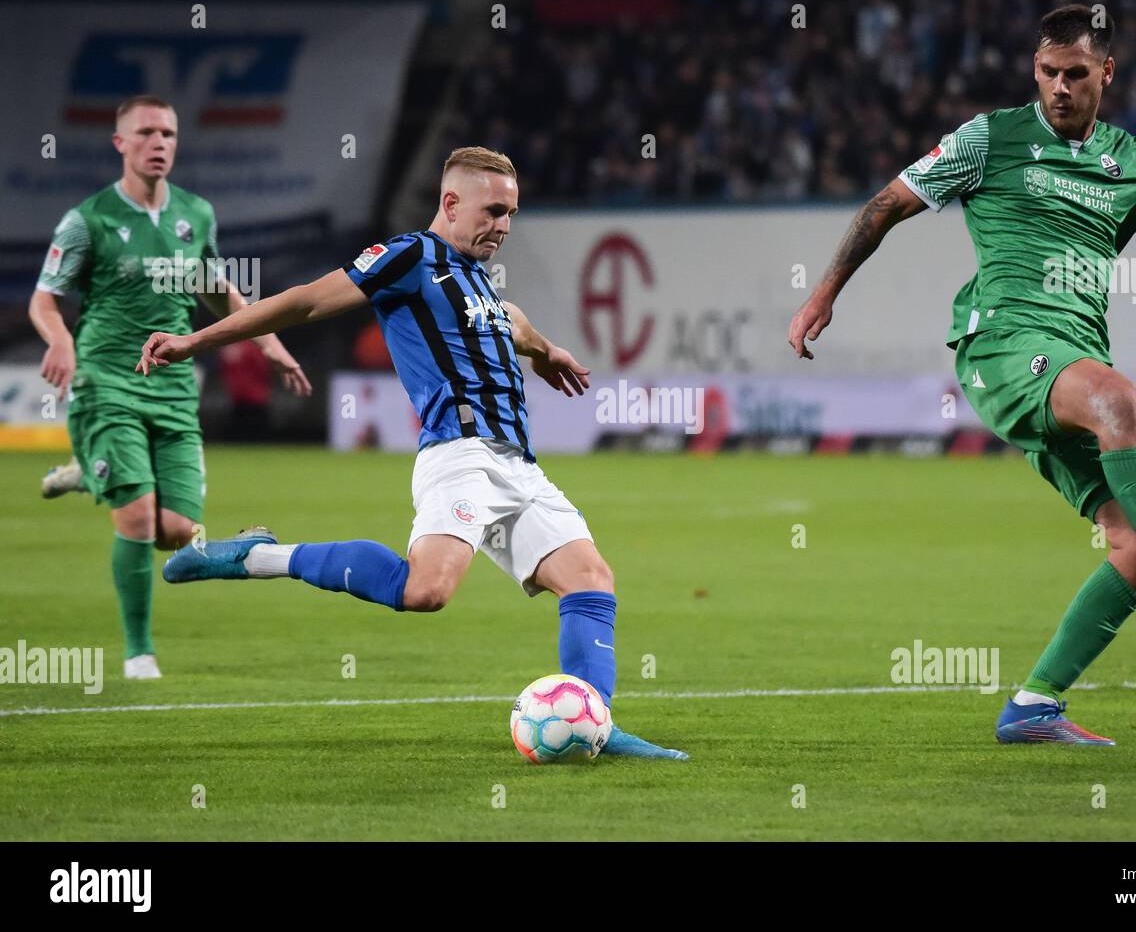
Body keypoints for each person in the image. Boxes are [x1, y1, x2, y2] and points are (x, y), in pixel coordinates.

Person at [789, 5, 1136, 745]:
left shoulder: (1135, 163)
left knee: (1131, 546)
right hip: (1000, 345)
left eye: (1076, 74)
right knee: (1118, 398)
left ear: (1107, 73)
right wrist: (824, 291)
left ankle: (1033, 703)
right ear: (1036, 71)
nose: (1059, 87)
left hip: (1071, 360)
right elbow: (887, 204)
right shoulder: (989, 139)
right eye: (1047, 73)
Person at [136, 146, 686, 759]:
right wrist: (196, 340)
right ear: (450, 203)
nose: (503, 225)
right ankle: (261, 555)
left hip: (518, 465)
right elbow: (306, 301)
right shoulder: (407, 258)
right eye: (493, 211)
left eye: (512, 213)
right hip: (460, 452)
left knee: (591, 580)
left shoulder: (479, 281)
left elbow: (514, 322)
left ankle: (595, 726)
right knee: (426, 591)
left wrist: (547, 350)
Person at [29, 94, 311, 678]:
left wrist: (270, 343)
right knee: (135, 518)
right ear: (120, 144)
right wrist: (59, 339)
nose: (159, 143)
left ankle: (92, 474)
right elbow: (44, 299)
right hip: (107, 380)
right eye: (147, 132)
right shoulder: (88, 221)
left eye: (169, 134)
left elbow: (218, 290)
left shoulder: (196, 214)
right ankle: (139, 651)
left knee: (177, 532)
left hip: (175, 387)